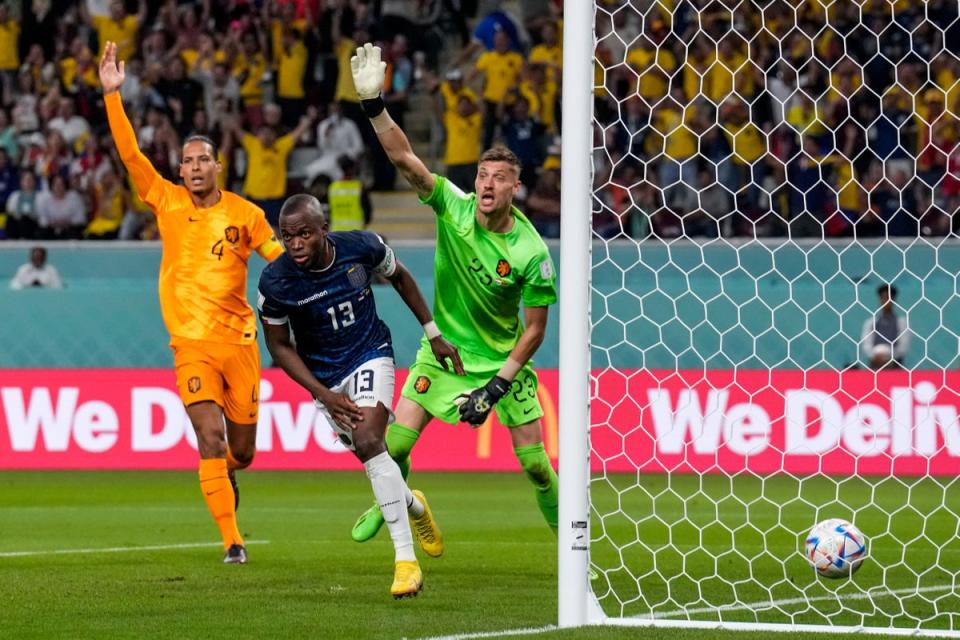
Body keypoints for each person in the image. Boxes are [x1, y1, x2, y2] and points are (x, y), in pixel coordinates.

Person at [348, 44, 559, 543]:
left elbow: (534, 332)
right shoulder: (454, 207)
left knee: (533, 465)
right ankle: (401, 502)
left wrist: (496, 387)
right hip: (444, 355)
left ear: (515, 189)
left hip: (501, 363)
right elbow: (404, 158)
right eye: (483, 175)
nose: (487, 184)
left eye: (499, 178)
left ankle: (573, 546)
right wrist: (374, 104)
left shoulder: (530, 251)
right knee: (389, 445)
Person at [100, 41, 283, 565]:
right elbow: (131, 155)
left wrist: (306, 271)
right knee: (208, 436)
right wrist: (113, 97)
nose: (196, 167)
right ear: (179, 171)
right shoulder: (166, 200)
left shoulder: (246, 214)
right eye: (188, 161)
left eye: (204, 159)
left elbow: (275, 258)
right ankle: (232, 541)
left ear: (219, 166)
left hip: (240, 344)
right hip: (191, 346)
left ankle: (227, 475)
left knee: (240, 452)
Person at [258, 194, 462, 597]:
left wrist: (433, 333)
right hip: (325, 379)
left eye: (304, 234)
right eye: (287, 237)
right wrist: (323, 394)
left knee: (371, 441)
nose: (295, 244)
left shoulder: (362, 247)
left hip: (370, 353)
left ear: (323, 230)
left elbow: (401, 276)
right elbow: (279, 346)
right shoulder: (275, 282)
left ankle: (406, 562)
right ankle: (415, 506)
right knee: (374, 460)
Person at [861, 284, 910, 369]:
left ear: (894, 300)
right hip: (875, 365)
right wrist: (875, 356)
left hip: (895, 366)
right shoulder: (871, 322)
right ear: (879, 299)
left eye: (888, 298)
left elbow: (903, 346)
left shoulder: (901, 322)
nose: (886, 301)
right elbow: (866, 344)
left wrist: (889, 357)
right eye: (883, 298)